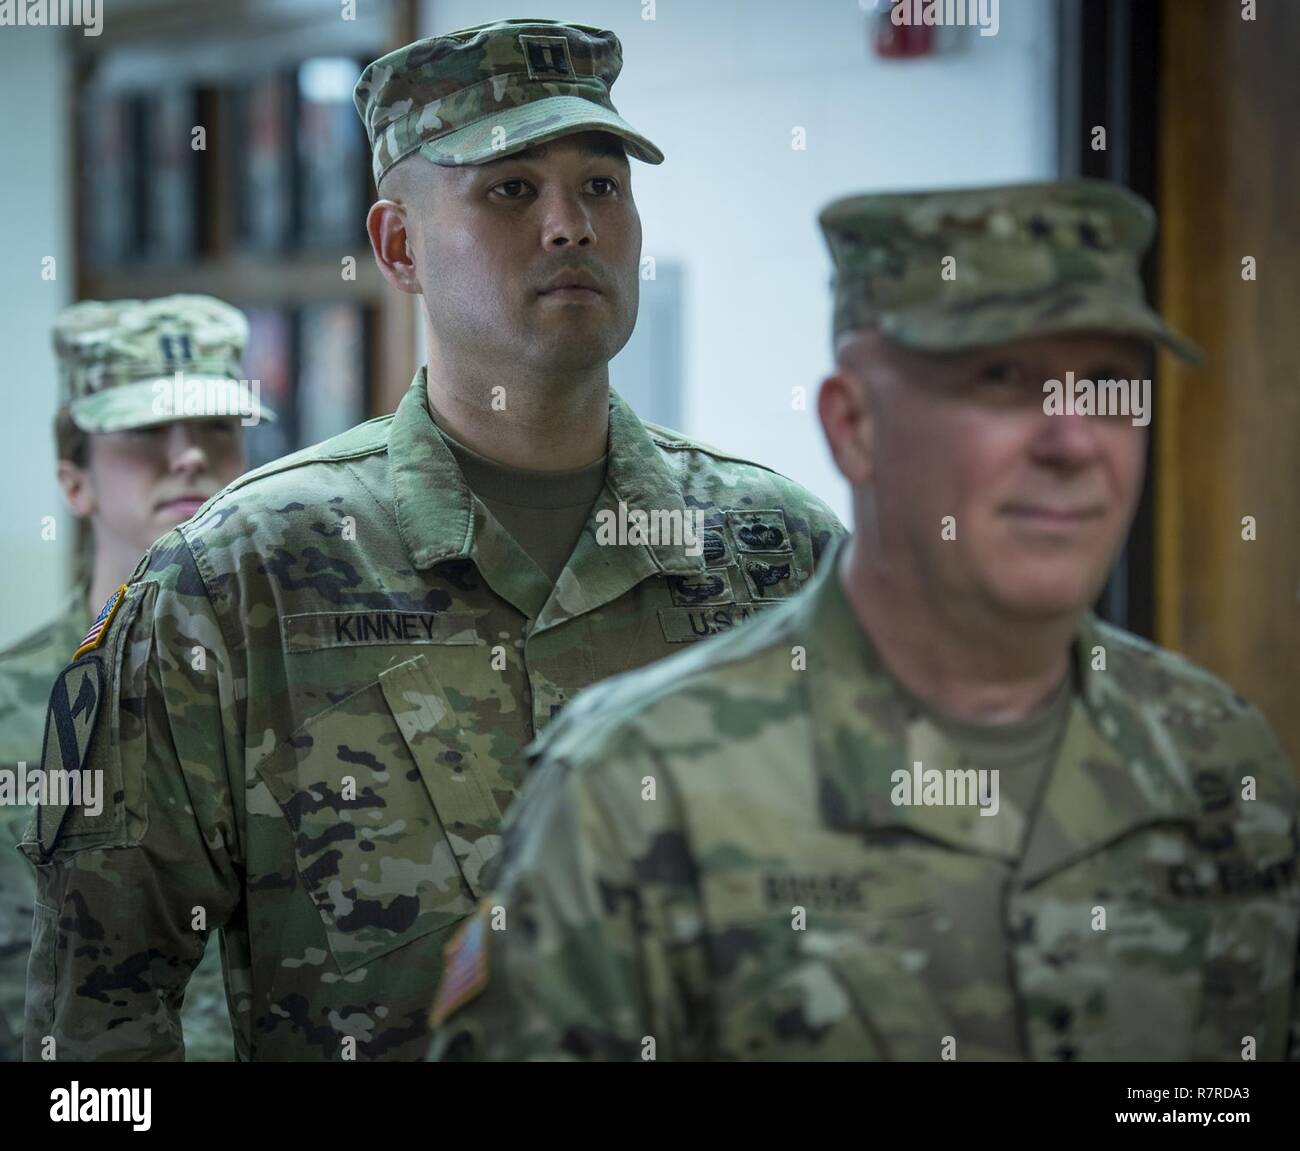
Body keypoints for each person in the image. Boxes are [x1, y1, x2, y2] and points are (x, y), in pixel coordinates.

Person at [22, 18, 844, 1061]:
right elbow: (96, 1023)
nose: (569, 226)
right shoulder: (237, 578)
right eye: (510, 189)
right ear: (399, 246)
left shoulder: (776, 551)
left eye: (600, 185)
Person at [429, 180, 1299, 1062]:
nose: (1073, 441)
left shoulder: (1215, 756)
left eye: (1110, 387)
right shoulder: (636, 792)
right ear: (854, 428)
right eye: (1001, 380)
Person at [1, 294, 273, 1061]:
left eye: (218, 427)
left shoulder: (311, 690)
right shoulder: (12, 711)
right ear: (75, 481)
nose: (188, 455)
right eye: (146, 432)